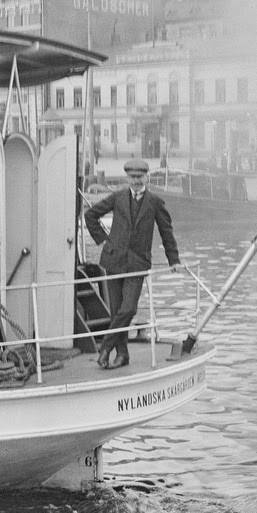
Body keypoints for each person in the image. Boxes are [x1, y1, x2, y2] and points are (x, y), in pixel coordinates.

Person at [84, 157, 181, 370]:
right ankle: (122, 355)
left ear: (146, 177)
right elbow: (90, 215)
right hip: (113, 261)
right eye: (132, 177)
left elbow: (166, 232)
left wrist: (174, 260)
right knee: (116, 311)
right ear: (127, 178)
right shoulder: (117, 198)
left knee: (128, 309)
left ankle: (106, 348)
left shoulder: (155, 202)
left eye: (139, 177)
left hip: (137, 264)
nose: (136, 181)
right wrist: (102, 239)